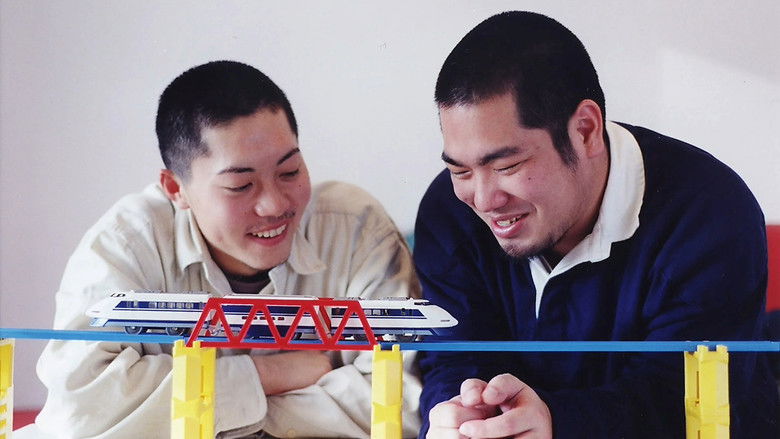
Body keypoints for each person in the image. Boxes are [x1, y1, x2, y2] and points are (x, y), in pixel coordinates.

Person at [414, 11, 779, 439]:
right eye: (460, 170)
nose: (482, 200)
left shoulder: (710, 211)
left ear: (585, 130)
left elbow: (685, 398)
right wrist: (456, 412)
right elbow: (452, 359)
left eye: (507, 166)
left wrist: (556, 422)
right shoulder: (448, 211)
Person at [35, 60, 422, 438]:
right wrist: (269, 375)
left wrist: (204, 416)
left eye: (289, 171)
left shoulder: (355, 229)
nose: (274, 205)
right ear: (176, 189)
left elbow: (404, 404)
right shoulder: (127, 243)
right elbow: (78, 410)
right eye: (240, 186)